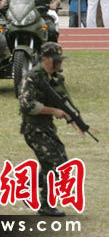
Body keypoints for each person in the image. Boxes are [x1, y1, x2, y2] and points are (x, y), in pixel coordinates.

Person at [18, 42, 80, 217]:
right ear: (45, 59)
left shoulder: (55, 78)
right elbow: (26, 105)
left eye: (60, 60)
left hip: (47, 127)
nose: (59, 64)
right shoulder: (31, 77)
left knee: (60, 163)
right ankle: (45, 204)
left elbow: (62, 100)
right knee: (54, 164)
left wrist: (73, 118)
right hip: (33, 129)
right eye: (56, 60)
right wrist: (53, 111)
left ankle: (29, 188)